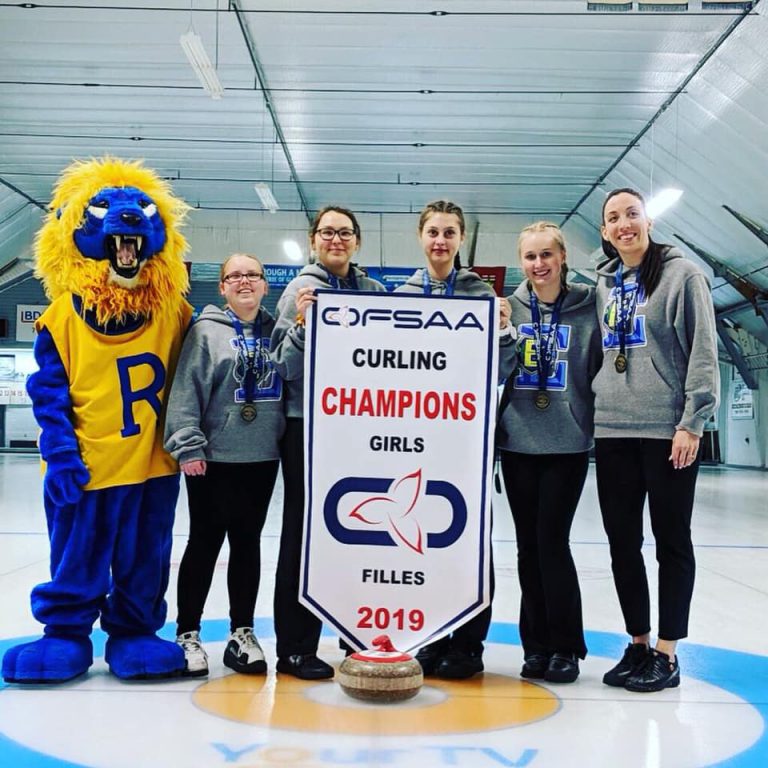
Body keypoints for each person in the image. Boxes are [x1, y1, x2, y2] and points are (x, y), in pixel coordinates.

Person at [593, 188, 719, 692]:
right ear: (605, 232)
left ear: (647, 220)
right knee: (622, 544)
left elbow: (703, 351)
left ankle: (667, 653)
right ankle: (638, 643)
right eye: (613, 219)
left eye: (631, 214)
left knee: (671, 542)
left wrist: (692, 422)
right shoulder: (602, 284)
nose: (624, 224)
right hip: (613, 430)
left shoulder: (682, 275)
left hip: (667, 433)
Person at [396, 199, 515, 680]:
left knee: (468, 543)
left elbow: (505, 368)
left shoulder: (482, 298)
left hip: (466, 442)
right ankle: (429, 636)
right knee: (418, 541)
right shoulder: (401, 296)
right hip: (415, 438)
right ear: (421, 238)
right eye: (433, 232)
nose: (440, 241)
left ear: (460, 239)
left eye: (449, 232)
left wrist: (505, 331)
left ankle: (468, 642)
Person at [270, 205, 386, 680]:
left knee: (362, 530)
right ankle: (295, 646)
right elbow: (280, 366)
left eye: (344, 233)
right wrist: (301, 327)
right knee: (303, 535)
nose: (336, 240)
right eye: (327, 232)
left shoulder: (376, 293)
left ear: (357, 240)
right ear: (314, 239)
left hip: (363, 429)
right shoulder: (299, 290)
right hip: (310, 429)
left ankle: (357, 635)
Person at [164, 253, 285, 677]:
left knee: (248, 544)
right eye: (234, 275)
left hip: (262, 456)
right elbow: (186, 391)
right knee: (204, 543)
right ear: (222, 287)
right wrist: (188, 446)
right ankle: (188, 633)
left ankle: (241, 632)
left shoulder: (279, 331)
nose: (245, 281)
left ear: (266, 284)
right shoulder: (205, 332)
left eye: (253, 274)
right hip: (213, 458)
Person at [496, 221, 602, 683]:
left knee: (552, 543)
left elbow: (600, 367)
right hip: (518, 441)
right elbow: (496, 370)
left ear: (562, 258)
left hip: (567, 442)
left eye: (546, 255)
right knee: (526, 548)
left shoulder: (587, 305)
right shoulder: (509, 308)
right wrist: (501, 332)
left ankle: (566, 647)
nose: (538, 265)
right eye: (530, 257)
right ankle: (535, 645)